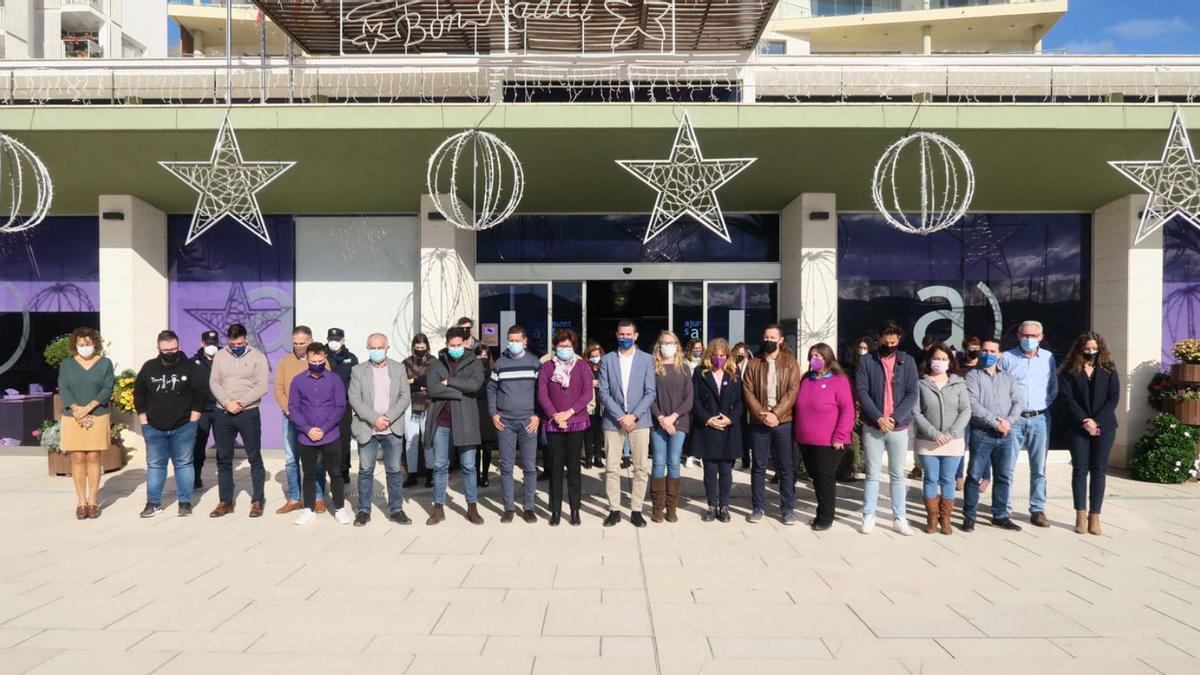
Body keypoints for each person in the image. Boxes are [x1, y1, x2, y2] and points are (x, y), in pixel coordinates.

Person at [134, 330, 207, 518]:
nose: (170, 352)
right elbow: (139, 393)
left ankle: (184, 503)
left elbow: (201, 394)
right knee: (156, 465)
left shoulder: (191, 367)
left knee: (183, 464)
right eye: (165, 350)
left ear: (179, 346)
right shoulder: (149, 367)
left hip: (183, 426)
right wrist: (144, 420)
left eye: (173, 349)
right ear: (158, 348)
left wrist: (193, 420)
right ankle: (153, 503)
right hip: (154, 427)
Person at [855, 321, 919, 535]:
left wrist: (894, 418)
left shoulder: (908, 361)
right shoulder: (866, 361)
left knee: (897, 474)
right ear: (879, 339)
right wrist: (878, 417)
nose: (889, 345)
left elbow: (912, 393)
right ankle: (869, 515)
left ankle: (899, 517)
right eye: (886, 341)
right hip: (874, 426)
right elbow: (862, 391)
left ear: (898, 340)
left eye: (893, 342)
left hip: (898, 427)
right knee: (872, 474)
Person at [1059, 332, 1120, 536]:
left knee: (1099, 470)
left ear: (1100, 348)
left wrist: (1096, 421)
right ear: (1080, 349)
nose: (1091, 351)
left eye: (1094, 348)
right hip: (1078, 426)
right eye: (1087, 348)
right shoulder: (1070, 370)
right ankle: (1080, 514)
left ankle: (1095, 515)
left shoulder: (1109, 369)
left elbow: (1113, 399)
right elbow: (1067, 399)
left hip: (1105, 427)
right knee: (1080, 469)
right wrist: (1085, 420)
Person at [597, 319, 657, 527]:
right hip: (613, 422)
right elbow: (603, 392)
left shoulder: (647, 359)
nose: (625, 338)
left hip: (639, 422)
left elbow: (650, 392)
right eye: (621, 334)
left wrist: (634, 415)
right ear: (616, 335)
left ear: (636, 336)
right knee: (612, 468)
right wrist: (621, 415)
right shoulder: (607, 360)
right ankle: (614, 509)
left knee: (640, 468)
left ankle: (636, 509)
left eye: (628, 334)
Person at [999, 320, 1058, 527]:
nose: (1029, 339)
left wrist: (1044, 404)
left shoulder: (1048, 358)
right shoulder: (1007, 358)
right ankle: (1003, 509)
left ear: (1041, 337)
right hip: (1014, 419)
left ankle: (1038, 509)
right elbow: (1000, 387)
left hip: (1040, 418)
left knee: (1039, 468)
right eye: (1025, 335)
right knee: (1007, 467)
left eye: (1033, 336)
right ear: (1018, 335)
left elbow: (1052, 387)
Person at [349, 332, 412, 526]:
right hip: (368, 427)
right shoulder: (358, 370)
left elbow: (404, 397)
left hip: (392, 429)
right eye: (372, 348)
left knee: (394, 471)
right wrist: (374, 418)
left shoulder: (399, 368)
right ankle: (363, 510)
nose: (376, 351)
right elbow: (354, 398)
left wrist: (388, 418)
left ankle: (396, 509)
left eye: (379, 348)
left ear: (387, 348)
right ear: (367, 349)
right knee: (366, 470)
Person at [424, 327, 486, 525]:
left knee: (469, 466)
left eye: (459, 345)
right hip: (441, 422)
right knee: (440, 465)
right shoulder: (436, 363)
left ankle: (472, 507)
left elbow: (475, 385)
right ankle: (438, 507)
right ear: (446, 344)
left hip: (466, 421)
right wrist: (460, 392)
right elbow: (433, 389)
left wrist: (449, 381)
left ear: (466, 343)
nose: (456, 348)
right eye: (453, 345)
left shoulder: (474, 362)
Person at [962, 338, 1024, 532]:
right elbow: (973, 404)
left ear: (999, 354)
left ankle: (1000, 515)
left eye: (992, 351)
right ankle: (969, 516)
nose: (988, 354)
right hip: (982, 432)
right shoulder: (973, 376)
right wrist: (996, 422)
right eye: (985, 350)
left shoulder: (1008, 378)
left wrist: (1008, 422)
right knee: (974, 476)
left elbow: (1018, 403)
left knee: (1003, 475)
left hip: (1006, 434)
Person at [743, 324, 801, 525]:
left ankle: (787, 509)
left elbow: (793, 392)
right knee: (759, 466)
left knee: (785, 466)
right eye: (766, 336)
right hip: (760, 422)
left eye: (773, 337)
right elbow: (748, 391)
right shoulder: (753, 364)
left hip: (783, 422)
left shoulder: (791, 363)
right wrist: (763, 415)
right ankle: (758, 507)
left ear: (781, 340)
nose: (769, 340)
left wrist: (775, 414)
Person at [794, 343, 855, 531]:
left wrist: (840, 435)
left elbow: (847, 410)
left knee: (824, 477)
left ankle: (825, 516)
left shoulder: (839, 380)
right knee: (815, 476)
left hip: (829, 441)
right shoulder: (806, 378)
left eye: (819, 355)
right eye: (812, 355)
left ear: (828, 358)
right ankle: (822, 511)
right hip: (806, 439)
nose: (815, 359)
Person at [911, 343, 971, 535]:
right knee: (930, 478)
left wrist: (951, 434)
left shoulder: (959, 383)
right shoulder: (921, 383)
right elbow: (916, 411)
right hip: (928, 441)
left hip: (953, 441)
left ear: (950, 361)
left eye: (944, 359)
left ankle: (945, 519)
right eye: (936, 358)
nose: (940, 362)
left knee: (947, 480)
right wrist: (934, 433)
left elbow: (966, 410)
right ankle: (931, 518)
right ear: (929, 360)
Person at [289, 342, 350, 526]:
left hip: (330, 435)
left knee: (335, 472)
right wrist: (307, 429)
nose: (317, 363)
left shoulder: (334, 380)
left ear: (325, 358)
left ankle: (339, 509)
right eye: (313, 360)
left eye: (320, 359)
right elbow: (293, 407)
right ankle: (308, 509)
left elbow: (340, 406)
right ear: (307, 359)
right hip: (306, 437)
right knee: (308, 474)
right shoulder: (298, 381)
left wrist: (323, 428)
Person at [537, 329, 593, 526]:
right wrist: (555, 415)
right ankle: (555, 510)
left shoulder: (582, 366)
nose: (564, 349)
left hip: (576, 422)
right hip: (554, 424)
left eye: (568, 346)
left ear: (574, 347)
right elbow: (542, 394)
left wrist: (568, 413)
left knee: (574, 468)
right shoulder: (546, 367)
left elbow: (587, 394)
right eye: (560, 346)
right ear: (555, 346)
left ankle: (575, 509)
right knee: (555, 468)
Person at [57, 327, 115, 520]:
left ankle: (93, 501)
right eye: (81, 344)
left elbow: (108, 387)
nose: (85, 347)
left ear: (95, 344)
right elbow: (63, 387)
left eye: (88, 344)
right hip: (73, 417)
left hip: (97, 415)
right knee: (78, 458)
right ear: (75, 345)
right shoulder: (67, 364)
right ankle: (81, 502)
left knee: (93, 457)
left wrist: (88, 408)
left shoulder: (105, 363)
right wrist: (77, 410)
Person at [487, 325, 541, 524]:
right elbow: (491, 389)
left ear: (525, 341)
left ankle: (529, 507)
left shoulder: (534, 363)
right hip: (505, 423)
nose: (513, 344)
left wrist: (538, 416)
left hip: (528, 422)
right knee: (506, 466)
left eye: (517, 340)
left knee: (529, 466)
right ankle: (509, 507)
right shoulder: (500, 364)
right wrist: (493, 414)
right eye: (510, 340)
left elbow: (541, 393)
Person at [691, 339, 743, 523]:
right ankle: (712, 506)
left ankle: (724, 506)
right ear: (709, 356)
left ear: (727, 356)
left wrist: (731, 418)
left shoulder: (734, 372)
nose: (718, 358)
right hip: (708, 427)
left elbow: (740, 402)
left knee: (726, 470)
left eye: (722, 355)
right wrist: (707, 419)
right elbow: (695, 399)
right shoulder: (700, 373)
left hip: (728, 428)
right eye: (715, 355)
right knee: (710, 470)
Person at [273, 326, 323, 515]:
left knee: (317, 459)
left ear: (310, 341)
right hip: (290, 418)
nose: (298, 347)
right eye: (295, 343)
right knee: (291, 459)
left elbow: (324, 389)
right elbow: (278, 389)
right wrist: (289, 411)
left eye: (302, 343)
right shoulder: (285, 362)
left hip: (313, 420)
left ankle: (318, 498)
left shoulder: (320, 361)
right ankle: (294, 498)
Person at [649, 331, 693, 523]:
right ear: (658, 346)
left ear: (677, 345)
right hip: (658, 422)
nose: (667, 346)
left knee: (674, 462)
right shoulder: (652, 368)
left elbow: (689, 398)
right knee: (659, 462)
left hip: (679, 422)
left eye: (671, 342)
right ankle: (657, 508)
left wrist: (673, 417)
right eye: (663, 343)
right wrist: (661, 418)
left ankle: (672, 507)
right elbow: (649, 395)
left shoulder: (684, 368)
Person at [326, 327, 359, 485]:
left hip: (344, 404)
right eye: (331, 339)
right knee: (327, 437)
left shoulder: (351, 358)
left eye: (337, 339)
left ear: (343, 340)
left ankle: (344, 469)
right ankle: (330, 469)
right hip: (325, 405)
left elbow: (355, 382)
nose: (334, 343)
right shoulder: (322, 356)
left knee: (344, 438)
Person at [402, 334, 434, 488]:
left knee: (427, 440)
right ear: (413, 347)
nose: (420, 350)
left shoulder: (434, 362)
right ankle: (412, 474)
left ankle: (430, 474)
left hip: (429, 403)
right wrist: (421, 384)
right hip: (410, 404)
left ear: (427, 346)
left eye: (423, 348)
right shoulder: (406, 362)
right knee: (411, 441)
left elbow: (432, 382)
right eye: (418, 348)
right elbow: (403, 383)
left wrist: (414, 381)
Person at [190, 330, 220, 490]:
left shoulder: (224, 359)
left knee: (223, 445)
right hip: (201, 411)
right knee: (198, 446)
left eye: (214, 344)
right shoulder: (193, 362)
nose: (211, 347)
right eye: (208, 343)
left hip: (220, 408)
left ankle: (224, 477)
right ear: (202, 343)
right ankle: (195, 477)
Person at [474, 344, 497, 488]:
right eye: (479, 355)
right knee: (476, 446)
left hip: (487, 410)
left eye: (484, 355)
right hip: (475, 409)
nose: (482, 358)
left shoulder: (493, 371)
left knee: (487, 446)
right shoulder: (471, 371)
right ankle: (476, 475)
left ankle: (485, 474)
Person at [582, 341, 606, 469]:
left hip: (601, 405)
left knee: (599, 433)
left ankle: (598, 458)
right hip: (589, 404)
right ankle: (588, 458)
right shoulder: (585, 367)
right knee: (588, 433)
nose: (595, 358)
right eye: (593, 355)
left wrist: (599, 383)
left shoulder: (604, 367)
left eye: (597, 355)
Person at [731, 341, 753, 470]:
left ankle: (746, 459)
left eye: (742, 353)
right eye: (738, 353)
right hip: (734, 402)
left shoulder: (750, 365)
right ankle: (733, 459)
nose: (740, 355)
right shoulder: (731, 365)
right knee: (734, 431)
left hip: (747, 403)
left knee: (745, 432)